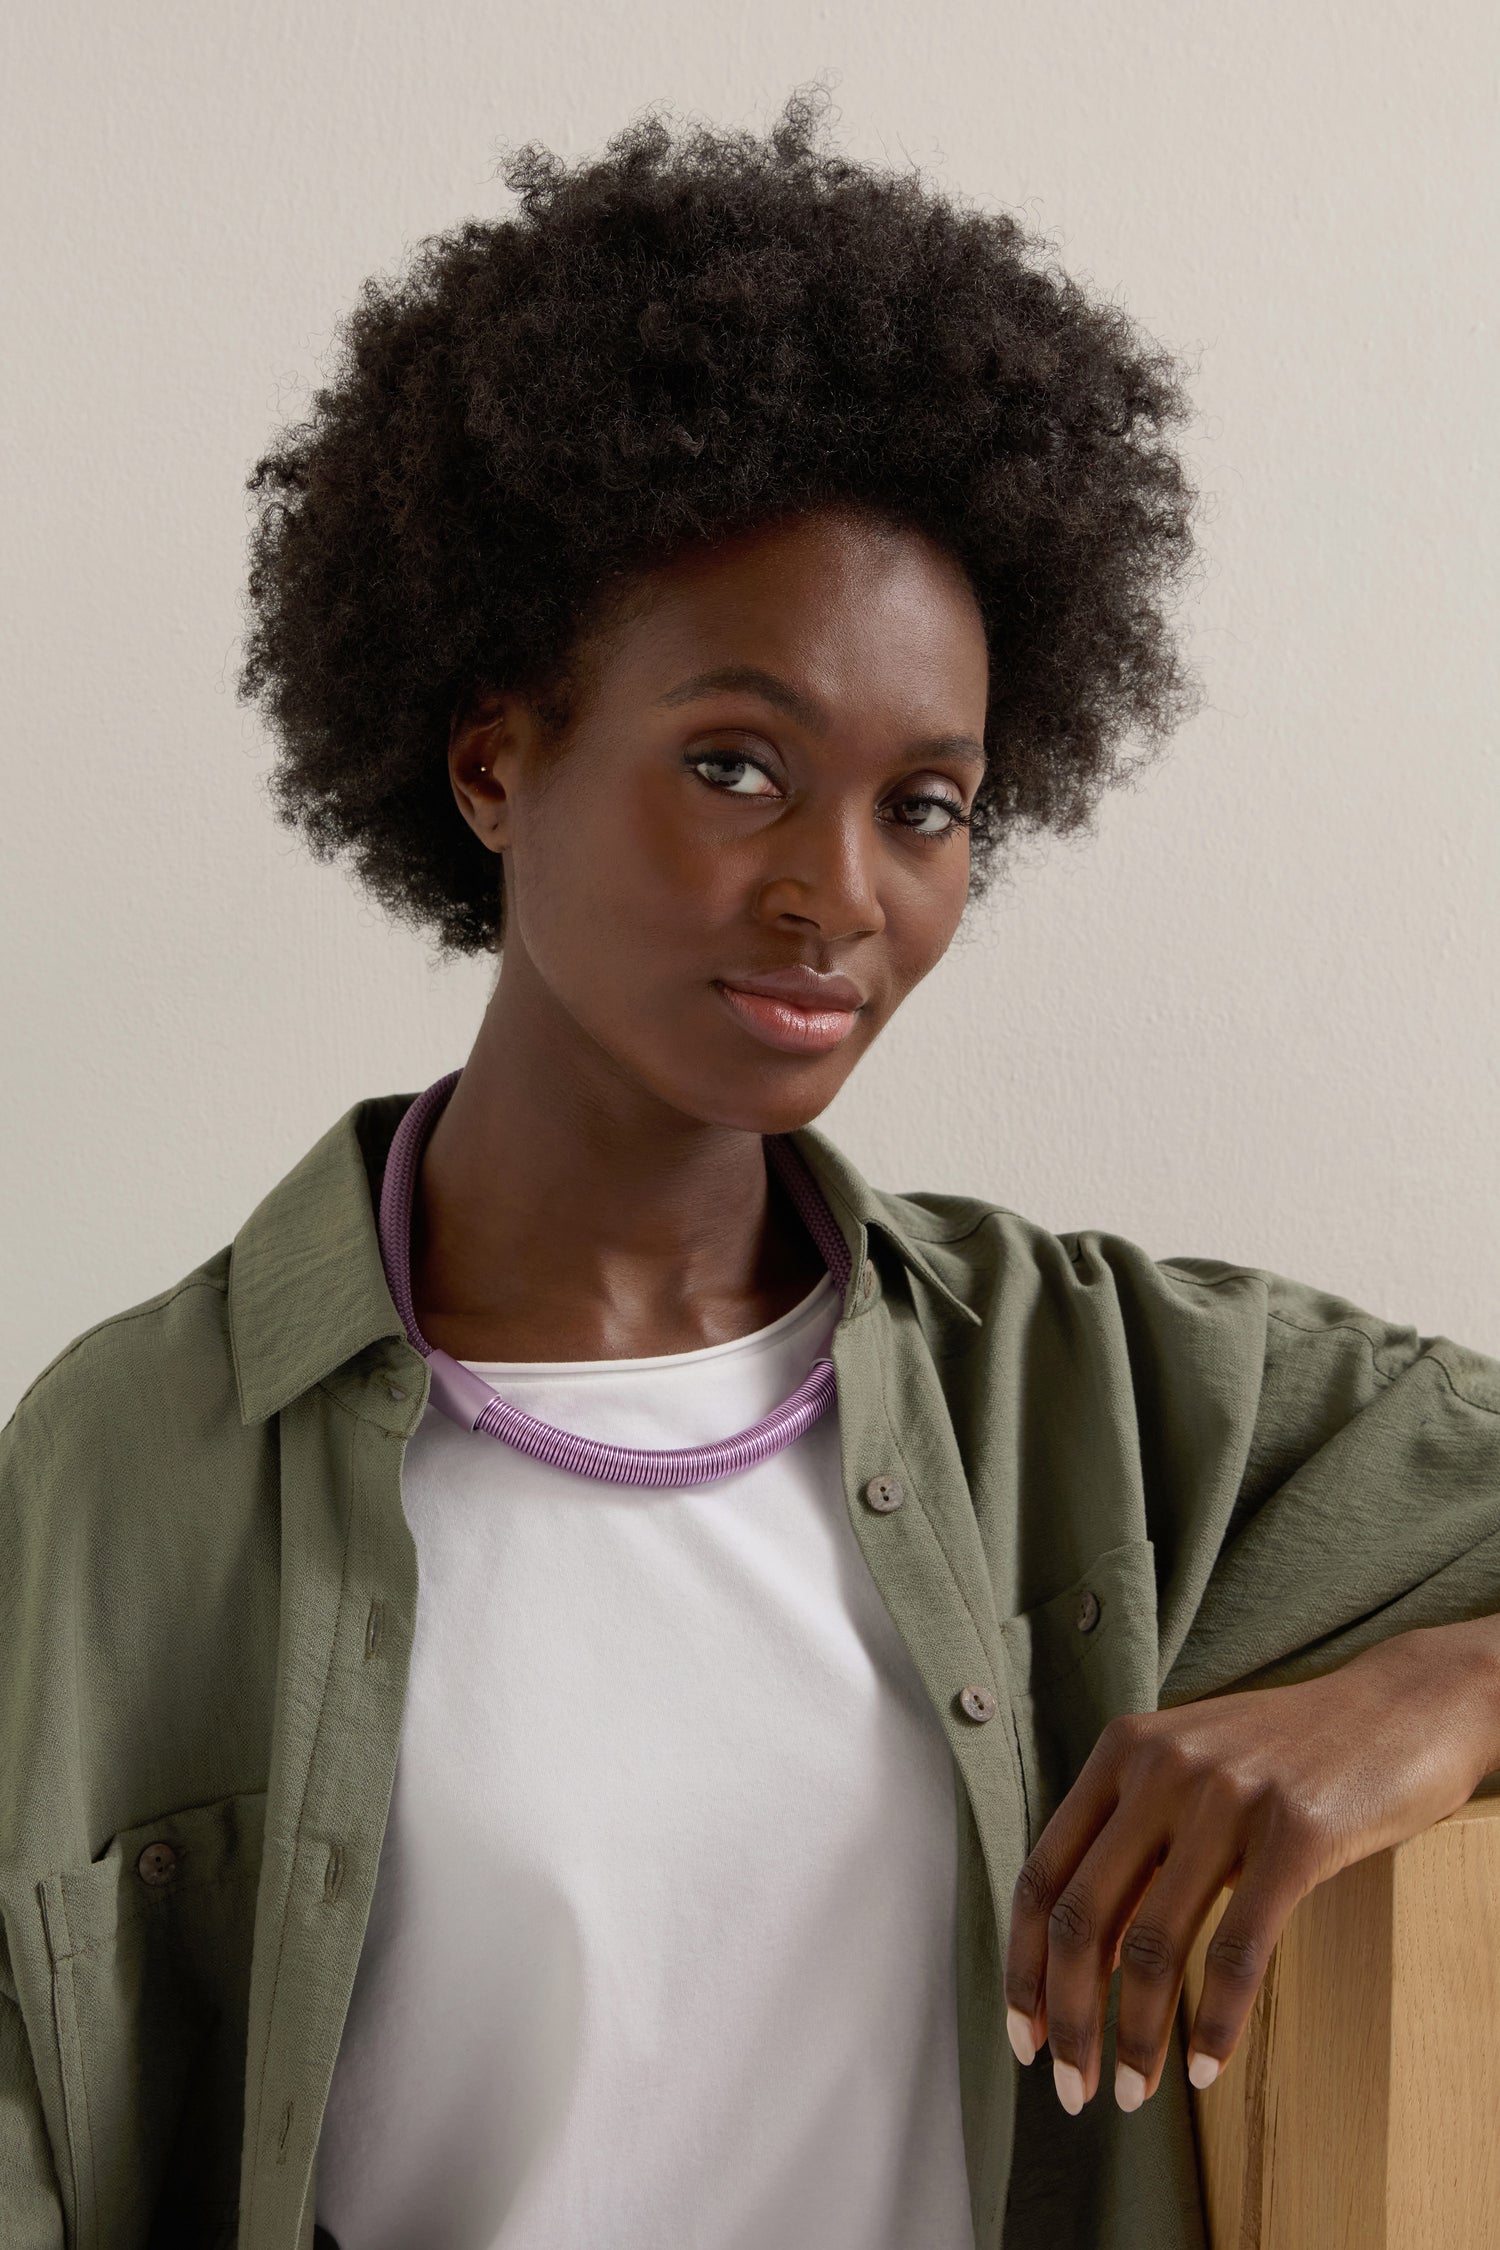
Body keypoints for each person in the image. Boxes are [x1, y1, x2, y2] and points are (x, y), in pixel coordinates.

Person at [3, 86, 1498, 2250]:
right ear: (495, 760)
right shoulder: (121, 1474)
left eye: (928, 806)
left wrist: (1431, 1693)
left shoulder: (1104, 1401)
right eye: (736, 765)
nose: (838, 893)